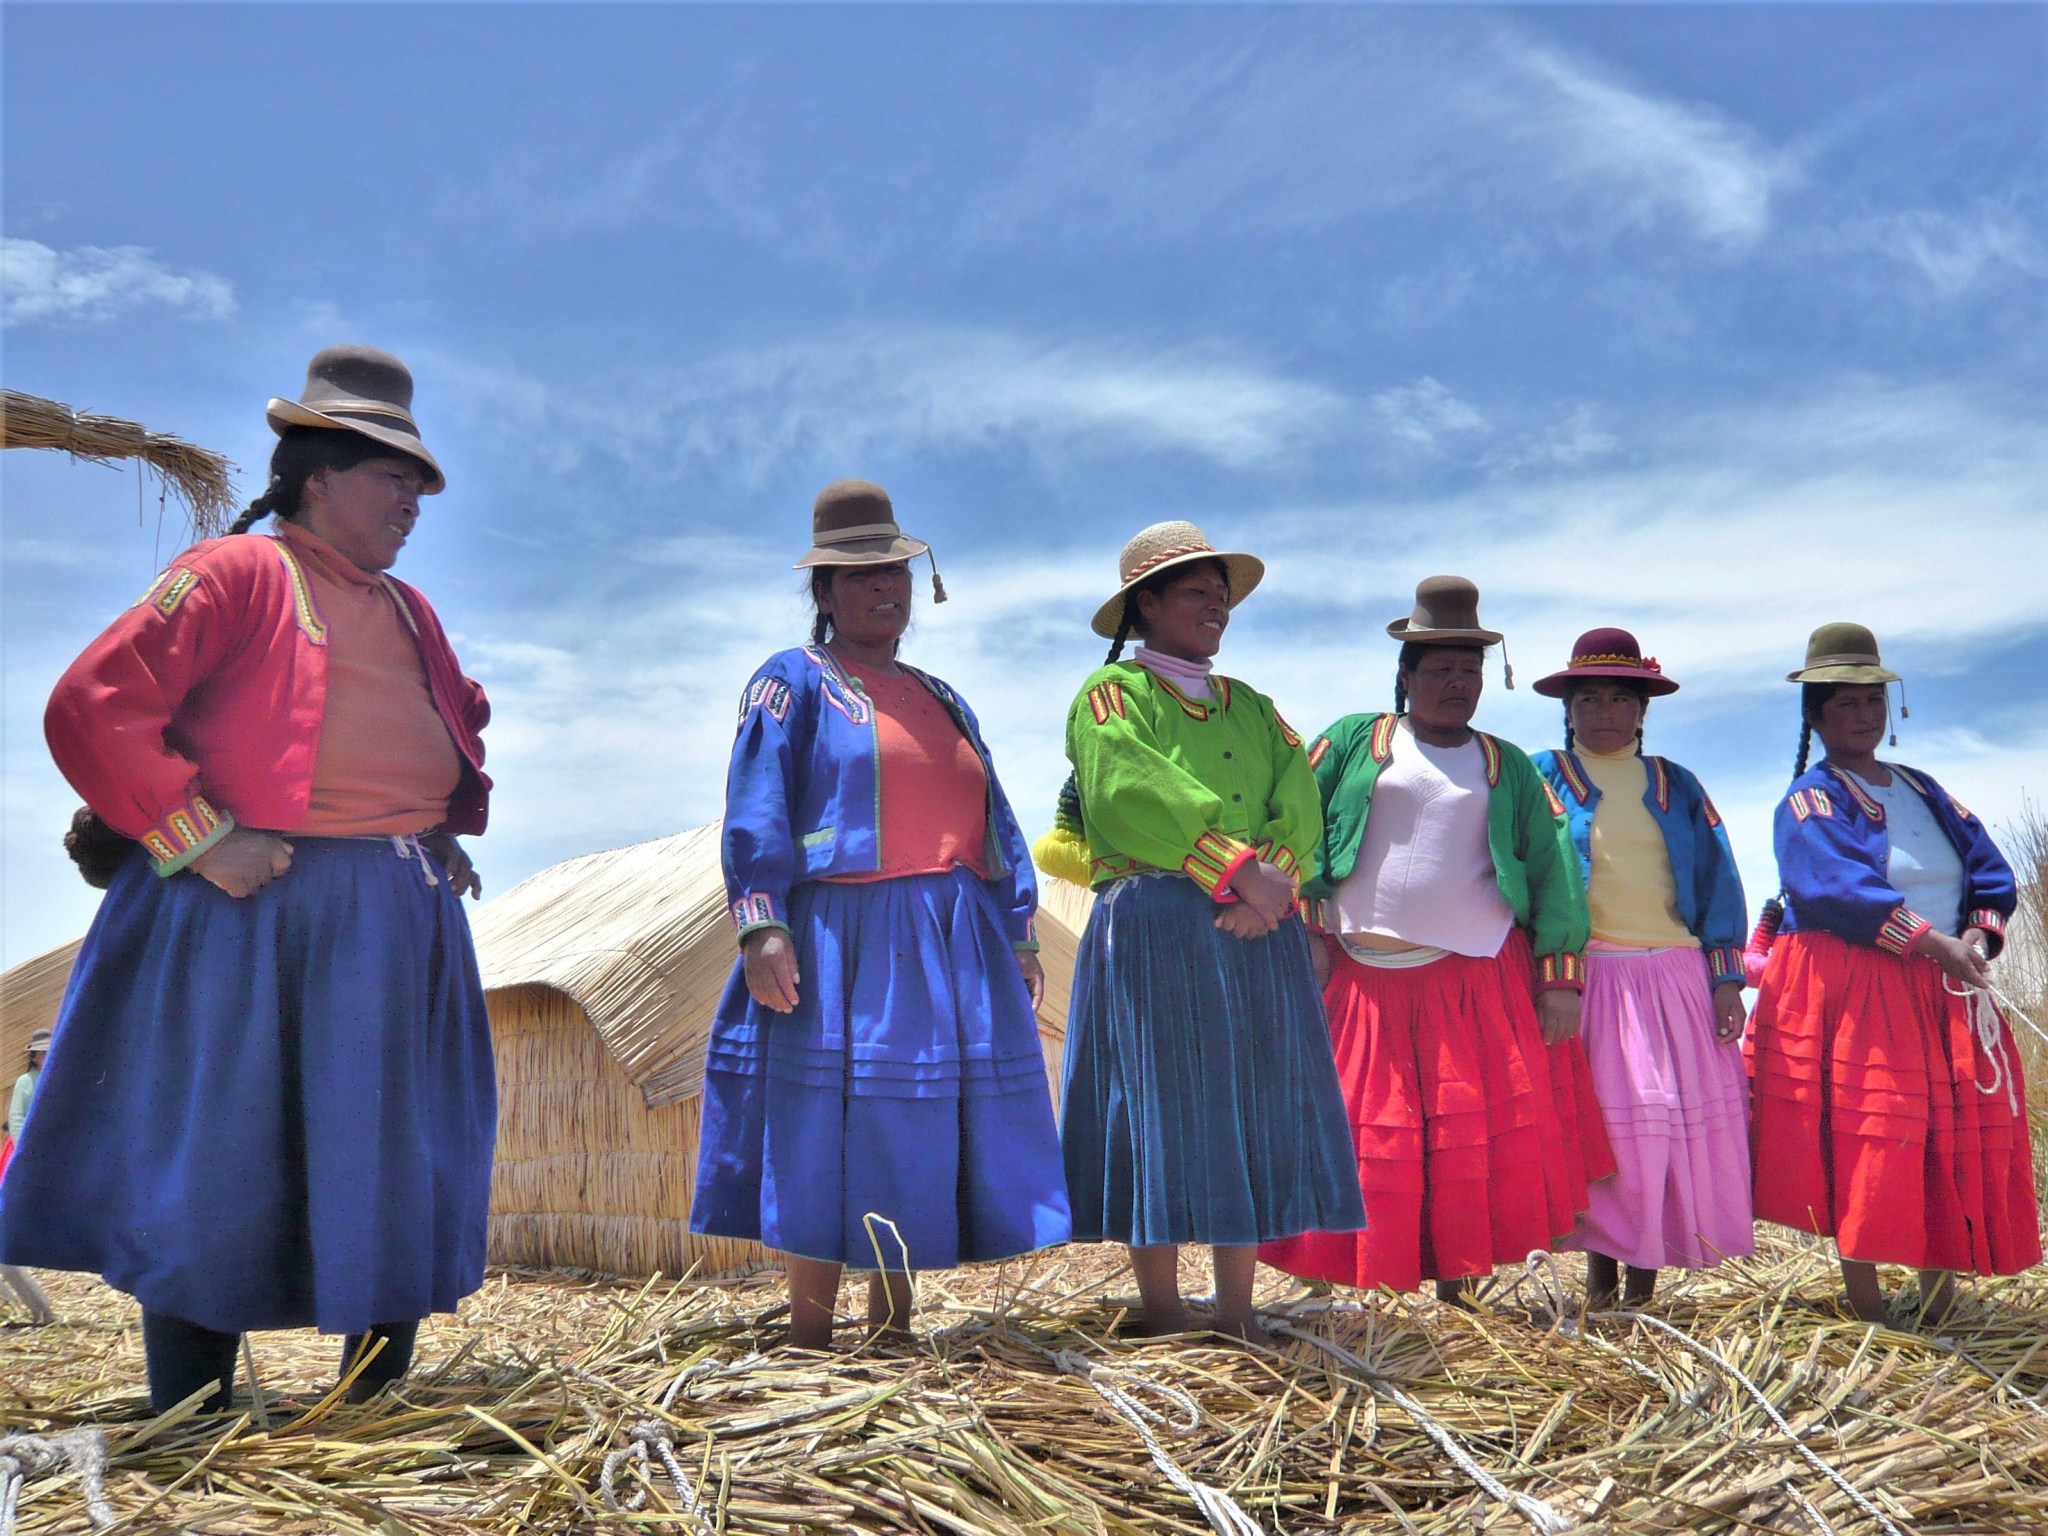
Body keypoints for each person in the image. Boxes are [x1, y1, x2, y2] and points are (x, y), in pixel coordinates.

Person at [0, 346, 496, 1408]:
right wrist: (198, 835)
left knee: (394, 1147)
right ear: (319, 474)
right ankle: (191, 1407)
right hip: (249, 907)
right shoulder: (235, 575)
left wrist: (435, 827)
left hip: (392, 922)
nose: (412, 500)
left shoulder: (410, 611)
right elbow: (92, 701)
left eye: (419, 483)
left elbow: (452, 725)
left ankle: (376, 1402)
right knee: (219, 1144)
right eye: (391, 477)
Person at [692, 480, 1069, 1348]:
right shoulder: (792, 682)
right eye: (859, 575)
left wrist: (1015, 930)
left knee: (911, 1125)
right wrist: (762, 922)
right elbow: (756, 805)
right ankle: (810, 1337)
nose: (884, 589)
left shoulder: (942, 695)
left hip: (947, 937)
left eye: (894, 571)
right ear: (822, 592)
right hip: (841, 936)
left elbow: (994, 820)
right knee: (823, 1127)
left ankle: (896, 1325)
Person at [1045, 521, 1364, 1342]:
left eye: (1220, 594)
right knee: (1159, 1098)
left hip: (1256, 926)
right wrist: (1235, 870)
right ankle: (1159, 1306)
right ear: (1144, 605)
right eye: (1195, 591)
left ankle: (1234, 1309)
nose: (1215, 605)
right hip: (1159, 922)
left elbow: (1299, 794)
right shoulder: (1110, 697)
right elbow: (1127, 789)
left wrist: (1274, 879)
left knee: (1249, 1097)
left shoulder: (1254, 708)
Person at [1261, 577, 1615, 1303]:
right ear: (1406, 676)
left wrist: (1559, 979)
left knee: (1464, 1145)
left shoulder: (1507, 766)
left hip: (1472, 981)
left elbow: (1552, 869)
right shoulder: (1356, 741)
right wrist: (1307, 923)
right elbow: (1291, 825)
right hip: (1358, 978)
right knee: (1363, 1138)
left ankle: (1461, 1294)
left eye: (1471, 671)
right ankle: (1341, 1289)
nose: (1458, 684)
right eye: (1441, 670)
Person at [1747, 622, 2038, 1325]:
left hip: (1943, 986)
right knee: (1869, 1137)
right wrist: (1932, 942)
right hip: (1863, 989)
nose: (1863, 716)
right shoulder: (1809, 802)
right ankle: (1871, 1310)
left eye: (1873, 701)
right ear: (1814, 716)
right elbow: (1832, 890)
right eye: (1845, 704)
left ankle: (1939, 1300)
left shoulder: (1923, 789)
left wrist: (1975, 934)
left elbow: (1990, 872)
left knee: (1946, 1136)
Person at [1529, 629, 1753, 1311]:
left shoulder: (1676, 785)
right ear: (1568, 708)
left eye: (1620, 698)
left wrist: (1725, 978)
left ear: (1642, 709)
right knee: (1608, 1134)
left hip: (1673, 975)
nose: (1604, 711)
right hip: (1588, 975)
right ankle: (1600, 1285)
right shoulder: (1538, 776)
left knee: (1659, 1128)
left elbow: (1718, 880)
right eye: (1589, 697)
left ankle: (1644, 1287)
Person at [1, 1031, 56, 1325]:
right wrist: (26, 1151)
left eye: (50, 1052)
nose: (46, 1057)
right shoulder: (26, 1082)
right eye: (42, 1053)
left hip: (50, 1150)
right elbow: (17, 1118)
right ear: (34, 1057)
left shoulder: (59, 1078)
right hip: (23, 1151)